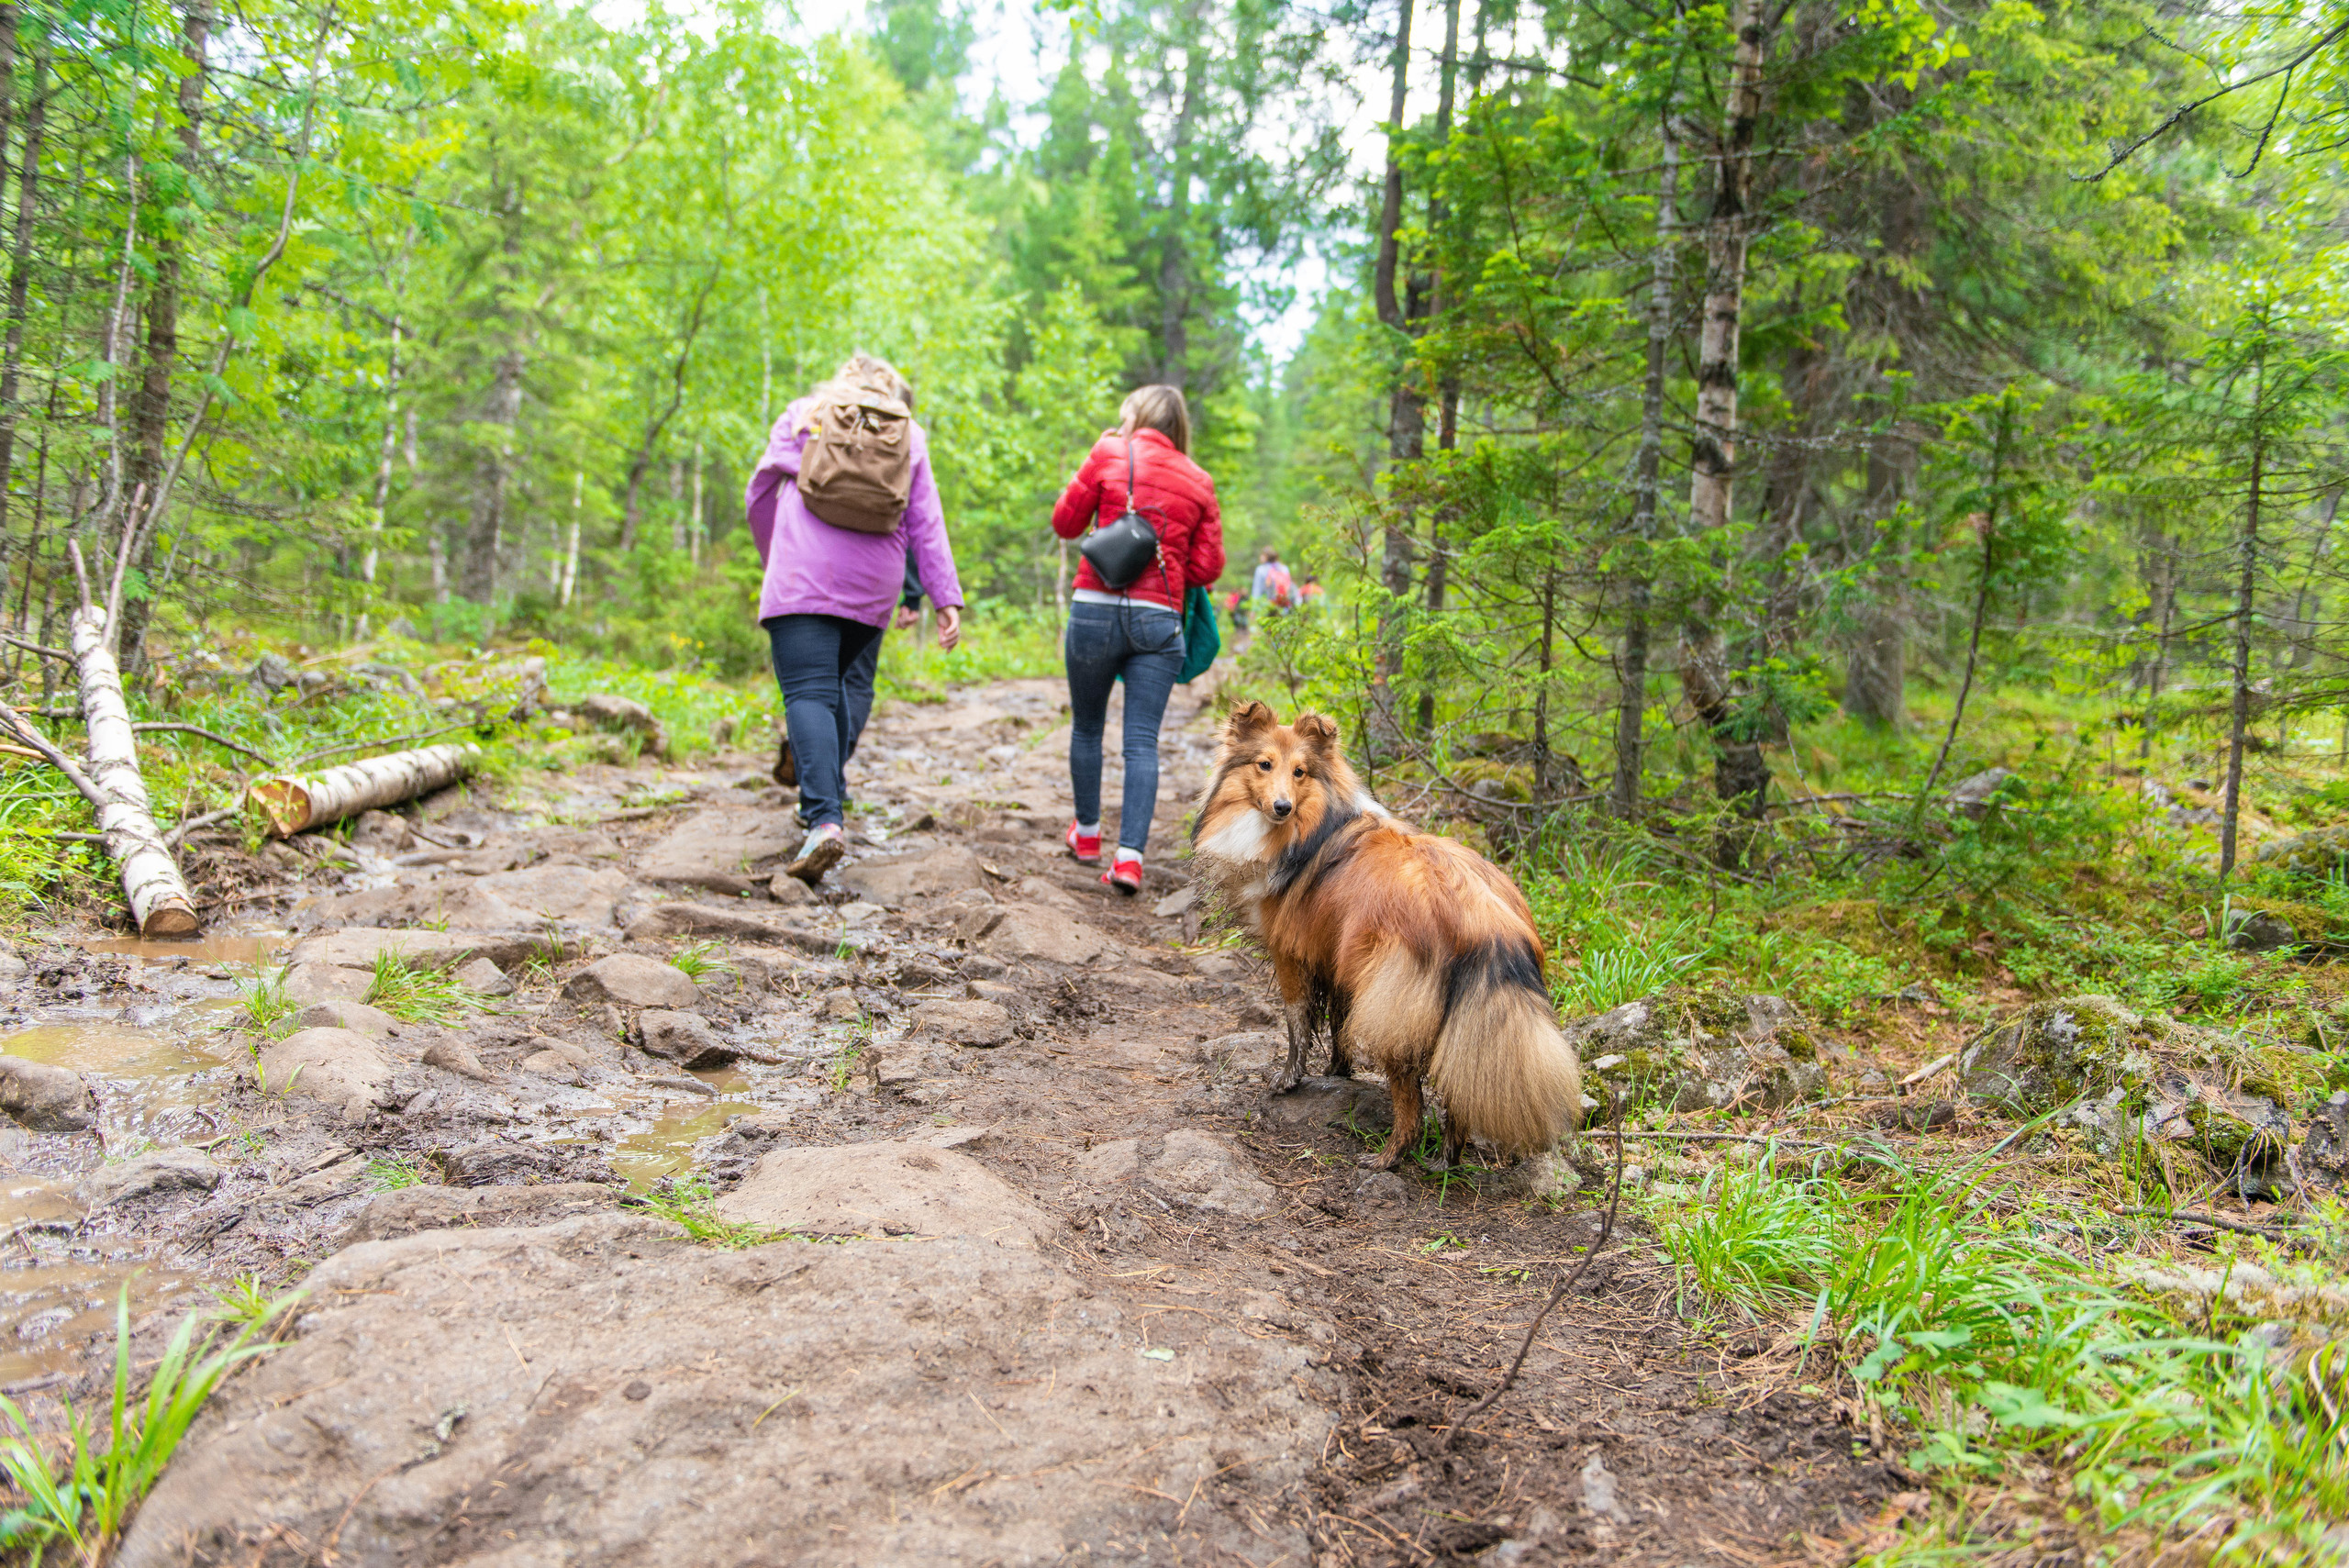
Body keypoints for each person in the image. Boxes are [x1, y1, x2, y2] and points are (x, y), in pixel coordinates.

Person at [747, 353, 962, 884]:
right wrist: (945, 597)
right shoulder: (909, 435)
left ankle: (824, 819)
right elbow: (925, 519)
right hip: (873, 584)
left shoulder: (804, 415)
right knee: (837, 686)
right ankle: (827, 792)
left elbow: (759, 493)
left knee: (808, 693)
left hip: (802, 573)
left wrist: (773, 554)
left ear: (841, 385)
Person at [1050, 385, 1226, 895]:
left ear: (1136, 416)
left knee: (1086, 727)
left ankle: (1086, 837)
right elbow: (1207, 567)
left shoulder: (1108, 452)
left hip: (1095, 610)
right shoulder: (1198, 479)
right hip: (1159, 619)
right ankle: (1129, 859)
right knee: (1142, 741)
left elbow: (1066, 523)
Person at [774, 555, 923, 793]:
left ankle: (815, 763)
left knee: (812, 686)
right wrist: (913, 594)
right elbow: (916, 526)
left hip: (811, 579)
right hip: (870, 586)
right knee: (857, 682)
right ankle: (828, 778)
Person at [1251, 547, 1295, 611]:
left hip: (1267, 605)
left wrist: (1253, 608)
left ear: (1265, 556)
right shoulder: (1284, 568)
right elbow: (1289, 586)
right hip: (1283, 604)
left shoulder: (1260, 569)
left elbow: (1257, 589)